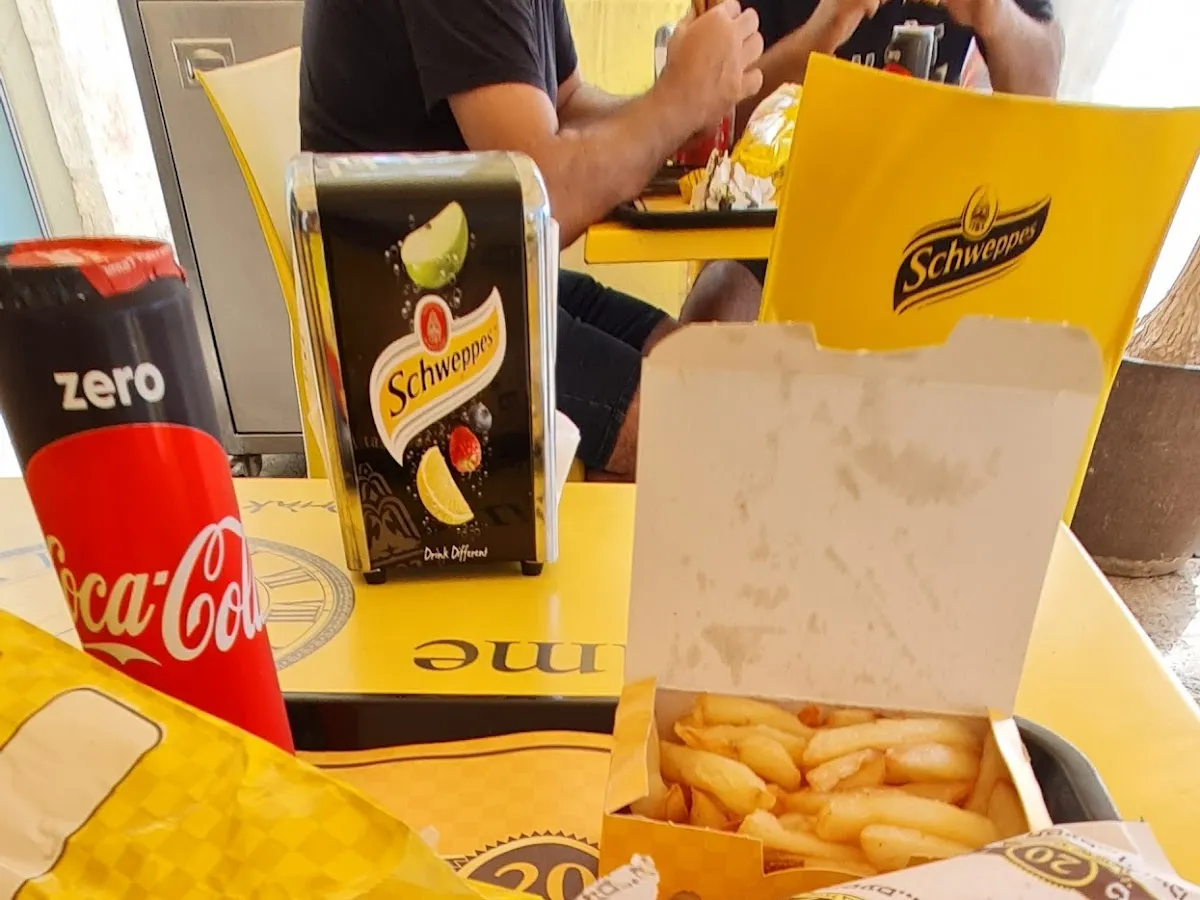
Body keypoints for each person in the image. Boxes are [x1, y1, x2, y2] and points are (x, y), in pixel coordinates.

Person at [299, 0, 764, 482]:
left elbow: (568, 106)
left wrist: (681, 107)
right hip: (411, 332)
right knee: (705, 435)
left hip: (491, 284)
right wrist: (675, 103)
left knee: (707, 376)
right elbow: (540, 203)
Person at [719, 0, 1064, 288]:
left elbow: (1042, 88)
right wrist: (825, 30)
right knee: (720, 305)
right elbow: (718, 121)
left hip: (931, 230)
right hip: (782, 220)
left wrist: (998, 18)